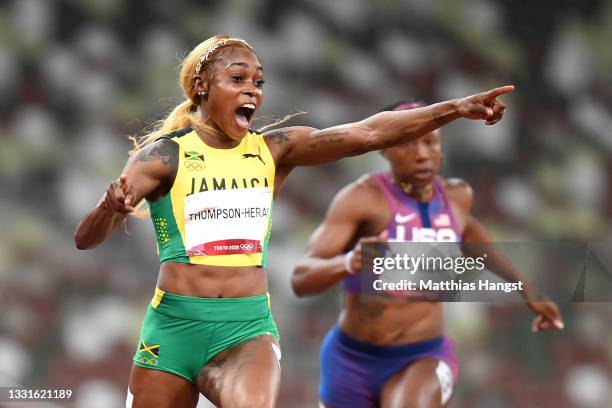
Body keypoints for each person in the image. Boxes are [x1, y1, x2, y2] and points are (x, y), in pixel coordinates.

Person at [73, 33, 513, 408]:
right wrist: (109, 209)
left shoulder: (274, 150)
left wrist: (454, 108)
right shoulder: (164, 156)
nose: (253, 91)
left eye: (258, 82)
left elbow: (369, 133)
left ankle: (222, 372)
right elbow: (86, 241)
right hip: (171, 329)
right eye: (238, 79)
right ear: (203, 85)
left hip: (245, 328)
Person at [291, 101, 565, 408]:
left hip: (423, 356)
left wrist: (526, 288)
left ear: (442, 149)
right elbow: (302, 279)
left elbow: (472, 236)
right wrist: (348, 263)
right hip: (352, 360)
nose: (422, 154)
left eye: (431, 142)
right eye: (407, 143)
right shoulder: (360, 199)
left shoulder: (457, 197)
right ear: (384, 148)